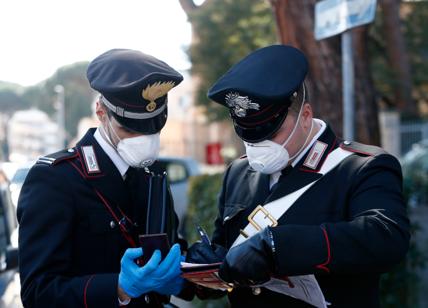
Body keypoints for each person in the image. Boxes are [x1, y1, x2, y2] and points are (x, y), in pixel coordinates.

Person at [186, 45, 410, 307]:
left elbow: (386, 237)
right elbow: (230, 255)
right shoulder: (238, 172)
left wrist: (279, 246)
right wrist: (208, 266)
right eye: (248, 135)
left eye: (270, 134)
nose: (258, 146)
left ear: (305, 116)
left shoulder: (361, 167)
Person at [18, 49, 187, 307]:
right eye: (129, 128)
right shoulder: (55, 179)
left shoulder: (150, 176)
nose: (142, 139)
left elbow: (170, 251)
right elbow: (37, 292)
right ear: (101, 111)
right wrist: (117, 288)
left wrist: (190, 276)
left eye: (153, 128)